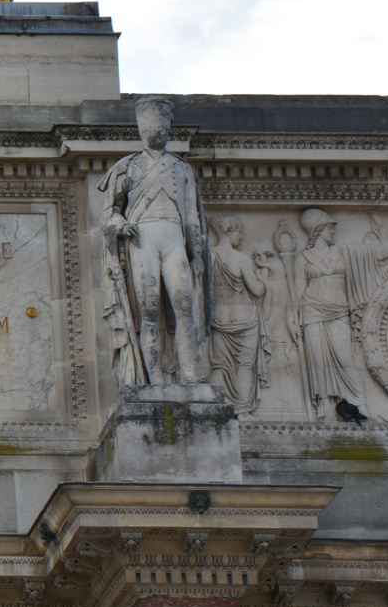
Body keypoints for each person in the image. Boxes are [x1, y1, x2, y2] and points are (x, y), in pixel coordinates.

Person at [98, 96, 210, 386]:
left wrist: (197, 254)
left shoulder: (182, 169)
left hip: (174, 239)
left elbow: (191, 218)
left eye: (161, 126)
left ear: (168, 128)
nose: (156, 131)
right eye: (151, 126)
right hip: (142, 241)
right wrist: (121, 226)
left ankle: (187, 372)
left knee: (184, 306)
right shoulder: (126, 168)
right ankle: (156, 377)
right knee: (148, 310)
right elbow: (109, 213)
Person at [292, 208, 388, 419]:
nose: (333, 230)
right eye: (329, 227)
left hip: (338, 312)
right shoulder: (303, 258)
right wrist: (291, 318)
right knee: (320, 363)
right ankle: (326, 410)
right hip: (312, 314)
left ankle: (359, 404)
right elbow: (297, 293)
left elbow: (378, 253)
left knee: (346, 360)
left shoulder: (344, 252)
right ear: (318, 230)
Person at [207, 216, 267, 412]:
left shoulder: (209, 256)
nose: (241, 237)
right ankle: (242, 411)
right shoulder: (240, 258)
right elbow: (257, 290)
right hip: (246, 317)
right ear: (228, 230)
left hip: (219, 317)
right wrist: (263, 273)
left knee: (221, 365)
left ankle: (215, 409)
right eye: (239, 232)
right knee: (245, 365)